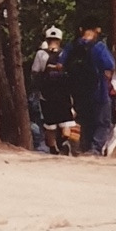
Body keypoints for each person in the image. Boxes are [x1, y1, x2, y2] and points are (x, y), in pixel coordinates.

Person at [62, 17, 116, 156]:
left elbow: (61, 64)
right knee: (103, 122)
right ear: (97, 30)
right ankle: (94, 149)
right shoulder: (98, 46)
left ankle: (77, 146)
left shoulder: (72, 46)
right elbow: (109, 64)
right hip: (98, 90)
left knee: (82, 120)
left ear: (81, 29)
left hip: (78, 91)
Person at [31, 26, 77, 155]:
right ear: (60, 40)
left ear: (47, 39)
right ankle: (64, 142)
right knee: (66, 121)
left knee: (49, 124)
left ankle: (53, 148)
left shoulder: (40, 54)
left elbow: (35, 71)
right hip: (63, 93)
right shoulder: (65, 53)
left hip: (47, 94)